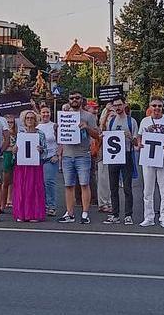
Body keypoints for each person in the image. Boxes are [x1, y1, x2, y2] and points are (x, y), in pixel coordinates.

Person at [58, 92, 100, 224]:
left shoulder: (89, 116)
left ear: (82, 100)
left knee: (84, 184)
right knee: (68, 185)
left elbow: (96, 135)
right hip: (67, 155)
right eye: (72, 98)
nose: (74, 100)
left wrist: (86, 127)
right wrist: (56, 129)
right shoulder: (64, 115)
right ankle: (69, 213)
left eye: (77, 98)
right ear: (68, 100)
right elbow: (60, 135)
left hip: (83, 155)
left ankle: (85, 213)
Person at [136, 96, 164, 228]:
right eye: (154, 105)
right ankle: (148, 217)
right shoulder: (144, 121)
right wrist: (139, 143)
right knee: (148, 189)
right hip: (148, 157)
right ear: (150, 107)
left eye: (159, 106)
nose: (157, 108)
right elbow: (139, 136)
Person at [102, 96, 138, 225]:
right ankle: (115, 214)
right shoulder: (111, 121)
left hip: (126, 155)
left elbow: (136, 143)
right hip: (113, 157)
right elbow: (106, 137)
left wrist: (130, 137)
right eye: (115, 105)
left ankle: (128, 215)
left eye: (119, 105)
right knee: (113, 188)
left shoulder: (131, 121)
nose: (117, 107)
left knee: (127, 187)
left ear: (124, 105)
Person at [12, 110, 47, 222]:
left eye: (32, 118)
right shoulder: (21, 133)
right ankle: (21, 214)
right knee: (21, 189)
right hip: (22, 165)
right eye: (27, 118)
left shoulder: (40, 134)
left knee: (34, 189)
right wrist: (14, 150)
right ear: (24, 120)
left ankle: (34, 214)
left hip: (35, 165)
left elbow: (46, 151)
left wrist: (41, 150)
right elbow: (15, 149)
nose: (30, 120)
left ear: (35, 120)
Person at [38, 106, 59, 216]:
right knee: (40, 183)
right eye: (43, 112)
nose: (45, 114)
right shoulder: (36, 126)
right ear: (40, 114)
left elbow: (62, 141)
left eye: (47, 112)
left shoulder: (55, 126)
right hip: (38, 159)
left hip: (51, 158)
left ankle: (51, 206)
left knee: (49, 182)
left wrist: (57, 154)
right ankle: (43, 205)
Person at [96, 105, 113, 213]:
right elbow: (100, 129)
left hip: (116, 155)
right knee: (103, 179)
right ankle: (103, 203)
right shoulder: (102, 127)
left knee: (112, 180)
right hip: (103, 154)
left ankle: (111, 202)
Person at [0, 114, 17, 213]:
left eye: (11, 122)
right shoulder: (2, 133)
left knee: (14, 181)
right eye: (8, 122)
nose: (10, 124)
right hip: (6, 155)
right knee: (5, 182)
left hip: (16, 157)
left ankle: (12, 200)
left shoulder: (18, 133)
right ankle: (2, 204)